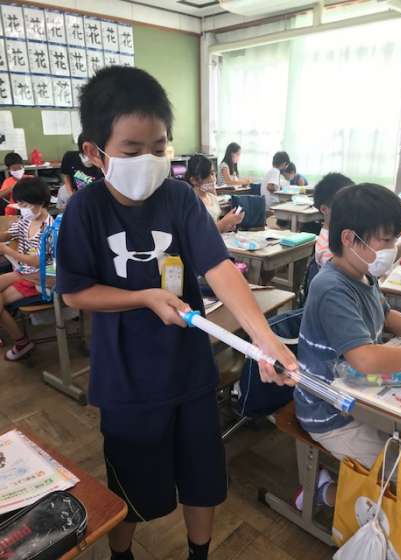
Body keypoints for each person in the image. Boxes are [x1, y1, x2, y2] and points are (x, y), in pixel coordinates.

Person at [56, 66, 297, 560]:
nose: (148, 161)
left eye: (159, 147)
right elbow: (75, 293)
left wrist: (263, 338)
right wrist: (144, 297)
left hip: (188, 371)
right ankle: (122, 554)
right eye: (131, 151)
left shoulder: (180, 198)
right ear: (94, 152)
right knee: (130, 483)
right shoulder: (86, 209)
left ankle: (198, 554)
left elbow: (219, 267)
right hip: (126, 379)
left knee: (201, 476)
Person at [294, 183, 401, 510]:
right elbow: (364, 358)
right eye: (386, 240)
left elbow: (387, 315)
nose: (393, 248)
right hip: (329, 413)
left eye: (395, 239)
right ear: (350, 239)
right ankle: (323, 492)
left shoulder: (363, 273)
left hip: (358, 397)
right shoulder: (331, 287)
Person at [0, 177, 53, 360]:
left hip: (40, 278)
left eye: (24, 204)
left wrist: (7, 250)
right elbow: (9, 234)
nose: (21, 208)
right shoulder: (26, 221)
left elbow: (37, 262)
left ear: (40, 202)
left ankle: (21, 343)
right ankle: (21, 342)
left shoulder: (49, 228)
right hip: (23, 273)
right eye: (19, 204)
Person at [185, 154, 244, 233]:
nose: (212, 179)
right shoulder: (190, 202)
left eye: (212, 174)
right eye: (207, 175)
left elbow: (216, 225)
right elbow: (200, 233)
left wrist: (227, 226)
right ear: (194, 180)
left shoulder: (212, 197)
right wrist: (224, 222)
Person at [313, 173, 354, 266]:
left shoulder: (343, 231)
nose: (351, 210)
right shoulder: (325, 247)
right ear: (324, 209)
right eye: (344, 206)